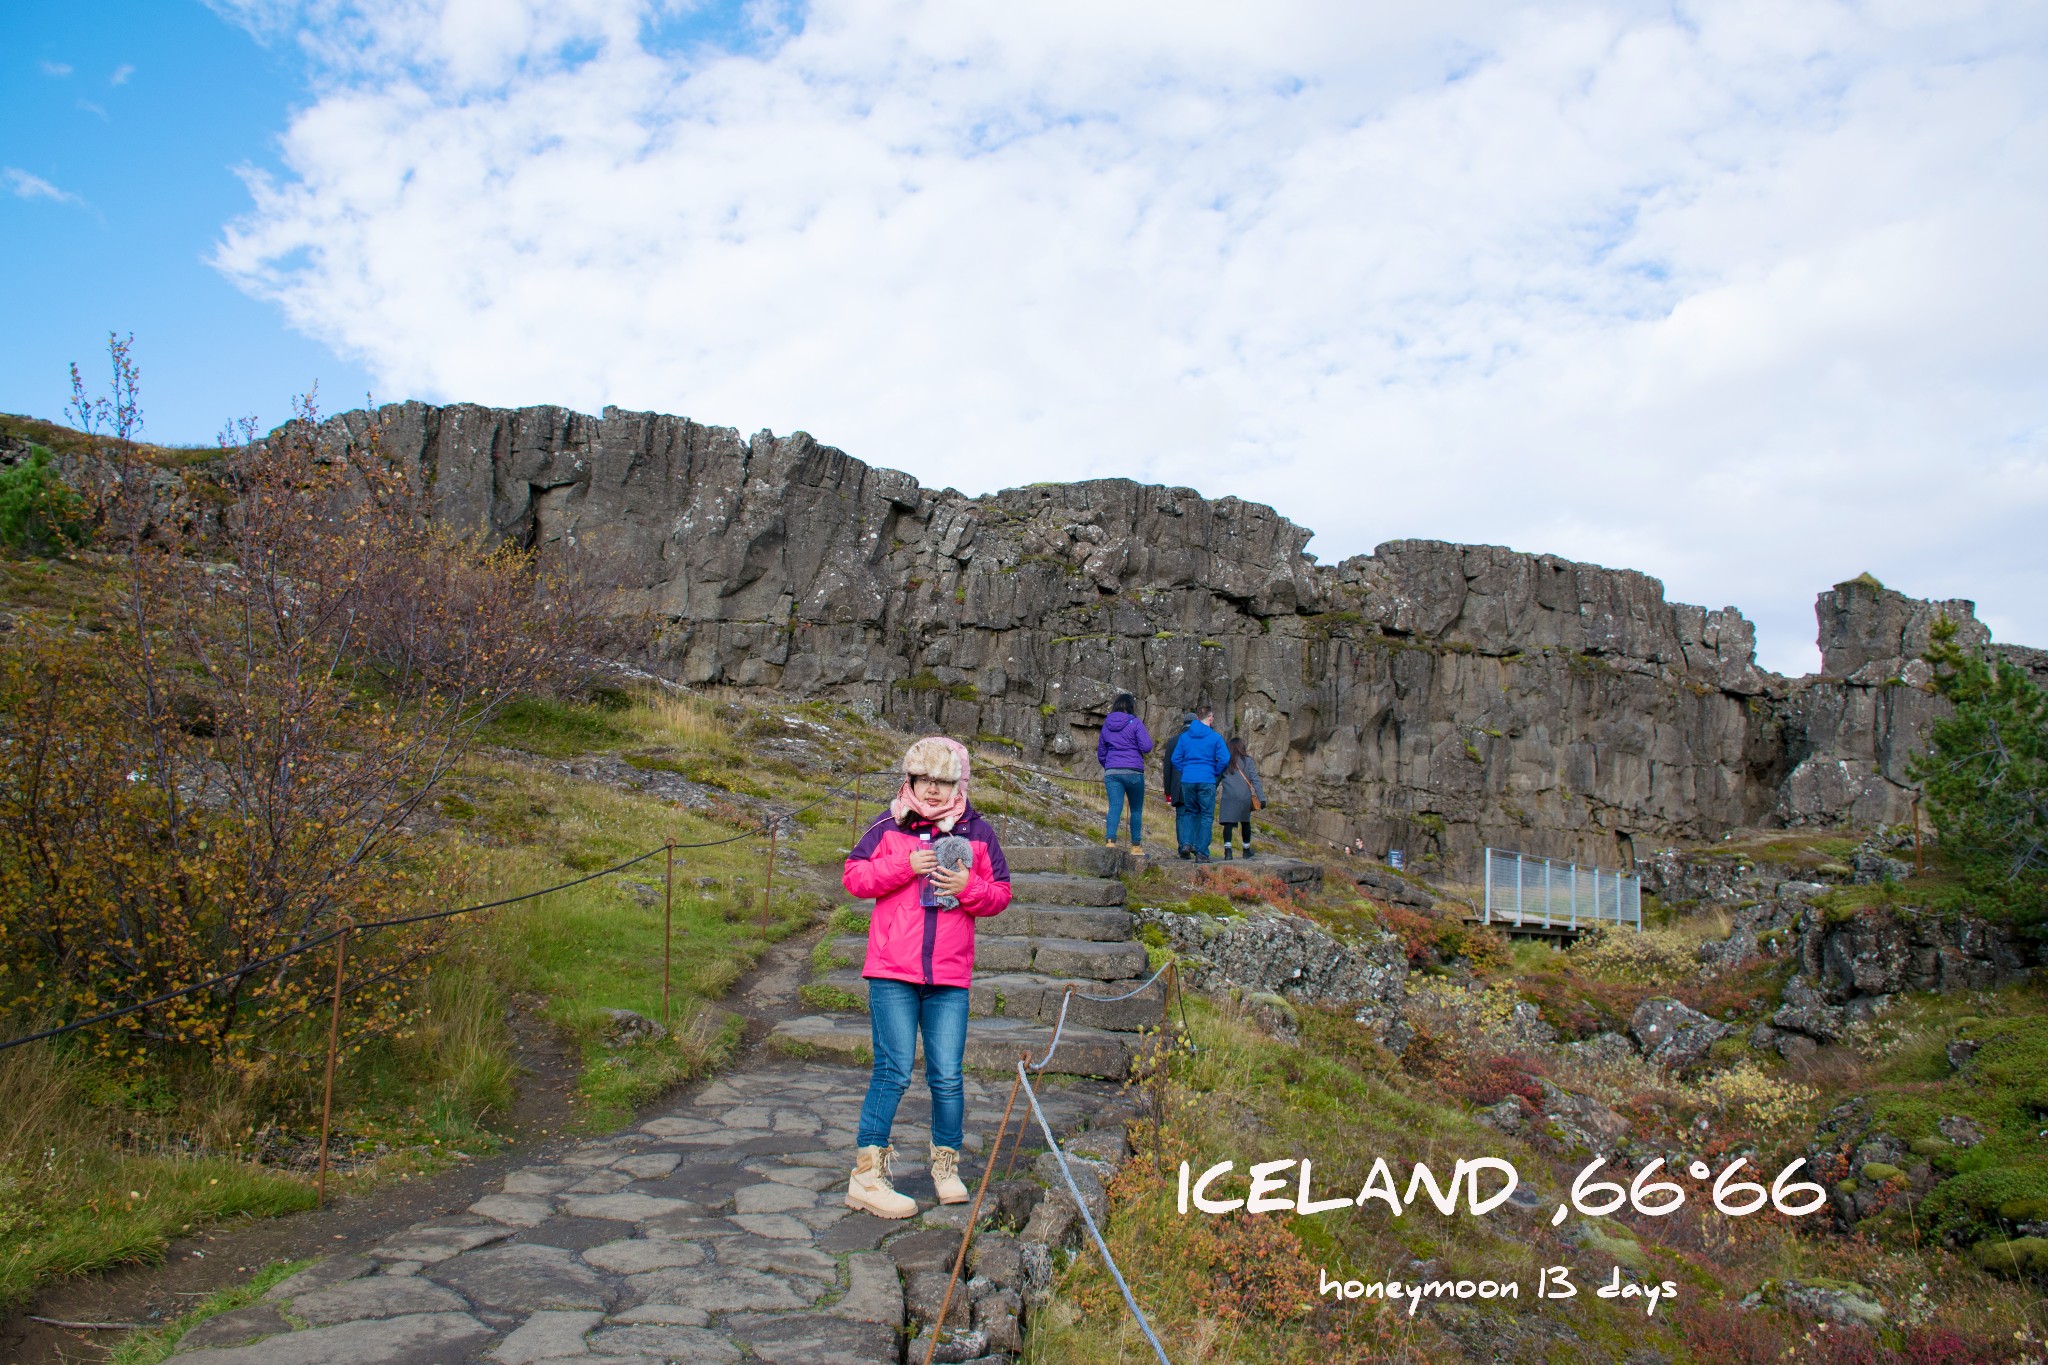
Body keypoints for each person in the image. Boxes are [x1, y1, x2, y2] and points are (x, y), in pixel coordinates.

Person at [841, 736, 1012, 1218]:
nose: (933, 791)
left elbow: (1000, 894)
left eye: (943, 781)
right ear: (910, 780)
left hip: (949, 976)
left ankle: (946, 1168)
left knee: (948, 1077)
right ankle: (867, 1177)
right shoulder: (888, 825)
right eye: (924, 780)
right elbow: (854, 877)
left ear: (959, 782)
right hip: (892, 971)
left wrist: (969, 887)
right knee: (893, 1071)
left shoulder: (980, 832)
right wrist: (903, 865)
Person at [1170, 704, 1230, 862]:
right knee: (1206, 816)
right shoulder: (1215, 737)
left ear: (1197, 718)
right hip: (1207, 778)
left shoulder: (1185, 737)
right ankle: (1202, 852)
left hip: (1188, 779)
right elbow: (1225, 758)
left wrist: (1186, 770)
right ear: (1210, 718)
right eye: (1212, 718)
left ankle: (1186, 843)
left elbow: (1175, 759)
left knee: (1190, 812)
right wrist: (1215, 771)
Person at [1097, 692, 1153, 853]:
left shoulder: (1106, 725)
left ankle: (1110, 841)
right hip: (1133, 771)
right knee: (1136, 809)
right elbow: (1147, 746)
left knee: (1115, 806)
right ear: (1130, 706)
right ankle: (1136, 846)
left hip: (1112, 771)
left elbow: (1101, 752)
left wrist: (1109, 765)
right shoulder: (1135, 723)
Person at [1216, 734, 1266, 859]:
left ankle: (1228, 851)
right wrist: (1262, 798)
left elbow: (1217, 779)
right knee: (1245, 822)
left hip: (1229, 796)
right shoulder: (1248, 761)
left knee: (1228, 823)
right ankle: (1246, 850)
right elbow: (1255, 780)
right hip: (1244, 797)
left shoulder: (1225, 761)